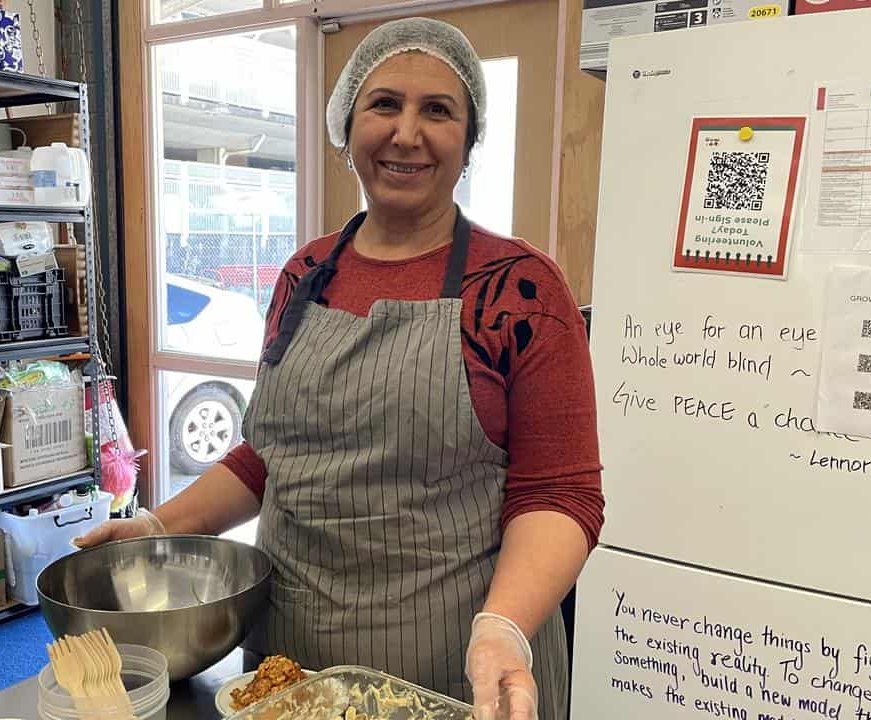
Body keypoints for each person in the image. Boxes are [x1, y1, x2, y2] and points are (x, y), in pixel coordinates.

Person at [77, 17, 603, 720]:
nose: (406, 133)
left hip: (453, 670)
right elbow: (271, 455)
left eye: (437, 110)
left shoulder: (520, 289)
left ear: (469, 139)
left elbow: (560, 494)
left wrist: (504, 628)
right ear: (346, 126)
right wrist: (159, 526)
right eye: (384, 104)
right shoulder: (304, 275)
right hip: (288, 669)